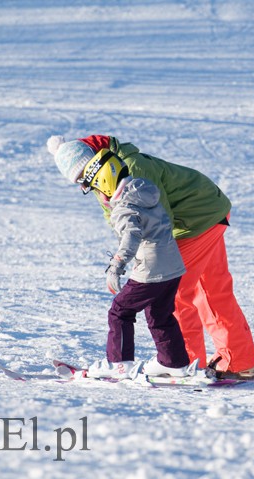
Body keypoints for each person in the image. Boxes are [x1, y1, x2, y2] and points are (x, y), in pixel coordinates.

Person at [47, 135, 254, 379]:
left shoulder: (129, 168)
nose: (84, 185)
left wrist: (140, 261)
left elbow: (158, 220)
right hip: (208, 212)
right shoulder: (106, 171)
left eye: (83, 177)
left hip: (192, 221)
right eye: (78, 181)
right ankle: (239, 361)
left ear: (91, 162)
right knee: (212, 291)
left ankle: (181, 362)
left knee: (172, 290)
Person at [51, 144, 196, 379]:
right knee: (160, 315)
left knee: (120, 311)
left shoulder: (123, 207)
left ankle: (119, 363)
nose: (97, 195)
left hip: (151, 269)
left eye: (93, 187)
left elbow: (131, 235)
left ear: (103, 182)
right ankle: (174, 362)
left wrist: (116, 265)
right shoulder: (144, 192)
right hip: (173, 265)